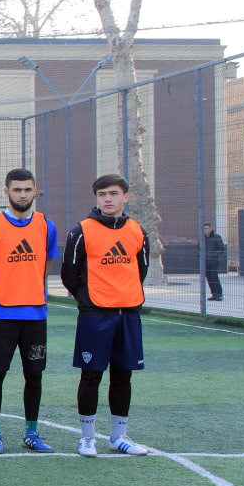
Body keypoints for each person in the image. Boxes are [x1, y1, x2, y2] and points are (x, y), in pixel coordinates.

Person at [61, 174, 151, 457]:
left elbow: (141, 270)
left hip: (128, 315)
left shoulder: (138, 231)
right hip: (94, 316)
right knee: (91, 376)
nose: (108, 199)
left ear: (126, 197)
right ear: (96, 198)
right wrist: (90, 300)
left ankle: (119, 436)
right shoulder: (81, 232)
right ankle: (87, 437)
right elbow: (69, 275)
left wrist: (124, 296)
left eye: (113, 193)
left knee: (123, 377)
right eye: (102, 194)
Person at [0, 168, 60, 453]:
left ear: (35, 191)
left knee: (34, 375)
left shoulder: (46, 225)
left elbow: (45, 269)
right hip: (0, 314)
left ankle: (31, 432)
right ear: (6, 192)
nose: (22, 195)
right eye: (17, 190)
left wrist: (28, 291)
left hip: (35, 315)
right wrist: (6, 292)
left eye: (28, 189)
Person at [203, 223, 225, 301]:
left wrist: (213, 255)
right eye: (204, 228)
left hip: (214, 261)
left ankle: (219, 294)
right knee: (208, 277)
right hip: (205, 261)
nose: (205, 230)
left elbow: (222, 249)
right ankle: (214, 294)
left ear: (211, 229)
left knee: (214, 276)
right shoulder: (203, 238)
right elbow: (199, 248)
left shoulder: (217, 237)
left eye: (207, 228)